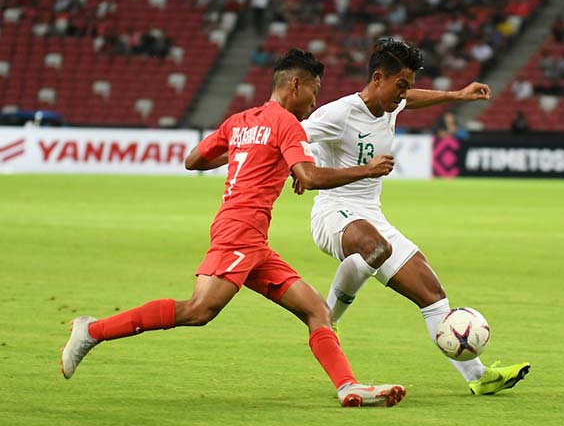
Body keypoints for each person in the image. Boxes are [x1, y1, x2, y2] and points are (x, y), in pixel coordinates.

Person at [60, 49, 406, 408]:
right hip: (238, 232)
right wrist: (365, 170)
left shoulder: (240, 121)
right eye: (314, 91)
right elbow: (310, 176)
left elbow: (193, 160)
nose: (315, 101)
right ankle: (92, 330)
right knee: (198, 310)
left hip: (253, 241)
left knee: (316, 309)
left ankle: (348, 386)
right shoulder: (287, 123)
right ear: (295, 84)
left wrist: (249, 151)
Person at [298, 38, 531, 395]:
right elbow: (292, 136)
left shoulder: (391, 103)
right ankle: (327, 322)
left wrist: (456, 95)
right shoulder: (337, 114)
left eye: (408, 85)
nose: (404, 94)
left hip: (371, 214)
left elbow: (412, 99)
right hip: (332, 212)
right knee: (374, 246)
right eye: (401, 85)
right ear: (378, 78)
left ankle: (479, 377)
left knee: (433, 294)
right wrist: (297, 168)